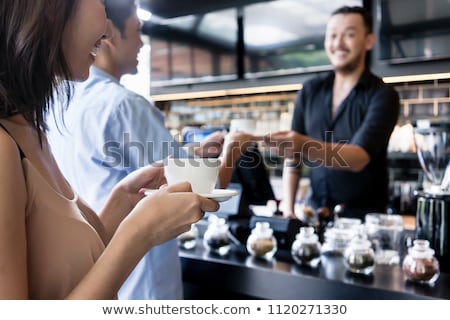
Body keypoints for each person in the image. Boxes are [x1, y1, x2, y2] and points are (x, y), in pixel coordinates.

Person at [0, 0, 219, 300]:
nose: (106, 28)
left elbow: (62, 269)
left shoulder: (34, 131)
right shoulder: (4, 146)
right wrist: (139, 234)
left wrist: (119, 207)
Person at [46, 0, 252, 299]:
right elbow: (197, 191)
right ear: (109, 32)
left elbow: (117, 165)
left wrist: (191, 153)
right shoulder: (125, 105)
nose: (144, 43)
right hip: (143, 282)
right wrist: (234, 147)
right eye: (138, 30)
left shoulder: (61, 103)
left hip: (91, 271)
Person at [264, 6, 400, 220]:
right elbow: (294, 157)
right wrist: (289, 210)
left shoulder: (383, 95)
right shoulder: (310, 90)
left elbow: (358, 157)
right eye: (333, 35)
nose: (338, 43)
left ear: (369, 41)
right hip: (314, 214)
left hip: (363, 221)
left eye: (349, 35)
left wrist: (303, 145)